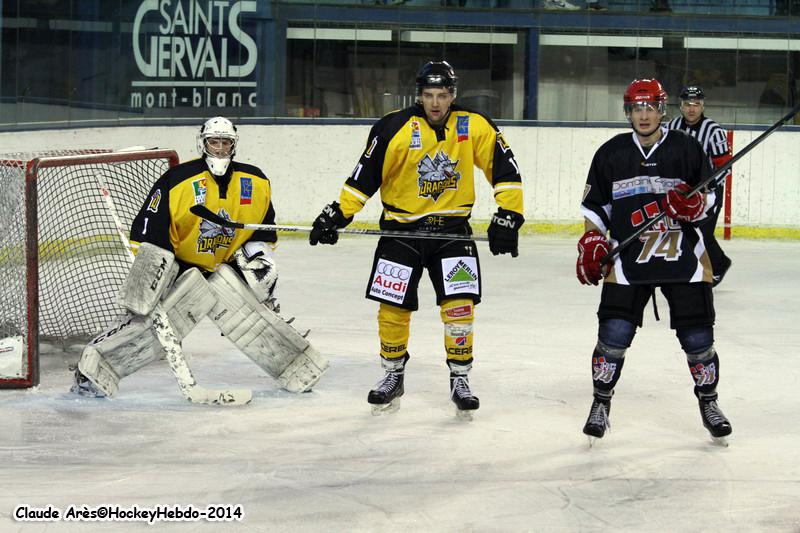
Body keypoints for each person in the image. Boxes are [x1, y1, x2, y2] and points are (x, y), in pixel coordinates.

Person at [308, 60, 524, 417]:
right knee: (393, 307)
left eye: (442, 95)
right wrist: (339, 214)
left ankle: (460, 377)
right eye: (428, 95)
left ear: (452, 95)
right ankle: (393, 374)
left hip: (452, 232)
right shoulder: (393, 127)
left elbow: (505, 169)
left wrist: (510, 215)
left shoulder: (474, 125)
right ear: (419, 95)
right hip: (401, 231)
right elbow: (364, 177)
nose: (435, 103)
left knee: (459, 307)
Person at [72, 116, 327, 398]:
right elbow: (149, 230)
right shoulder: (178, 180)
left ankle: (297, 366)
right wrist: (155, 274)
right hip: (180, 268)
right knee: (151, 330)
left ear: (234, 145)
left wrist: (259, 261)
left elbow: (262, 230)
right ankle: (92, 373)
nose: (219, 149)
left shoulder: (255, 181)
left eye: (225, 143)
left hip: (222, 268)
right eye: (213, 142)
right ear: (203, 144)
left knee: (253, 320)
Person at [576, 79, 732, 443]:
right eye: (636, 108)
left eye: (650, 107)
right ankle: (601, 402)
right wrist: (593, 238)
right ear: (627, 111)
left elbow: (709, 198)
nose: (643, 115)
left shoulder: (687, 148)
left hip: (684, 259)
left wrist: (696, 206)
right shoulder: (611, 153)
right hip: (630, 260)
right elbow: (595, 207)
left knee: (698, 338)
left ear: (662, 110)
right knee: (613, 335)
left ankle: (709, 402)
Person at [667, 84, 733, 286]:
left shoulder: (714, 131)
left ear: (702, 106)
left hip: (707, 194)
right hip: (681, 192)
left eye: (696, 104)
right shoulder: (671, 127)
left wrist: (708, 188)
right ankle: (696, 267)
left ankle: (717, 266)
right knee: (684, 232)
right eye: (688, 104)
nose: (692, 108)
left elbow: (724, 166)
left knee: (702, 233)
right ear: (681, 105)